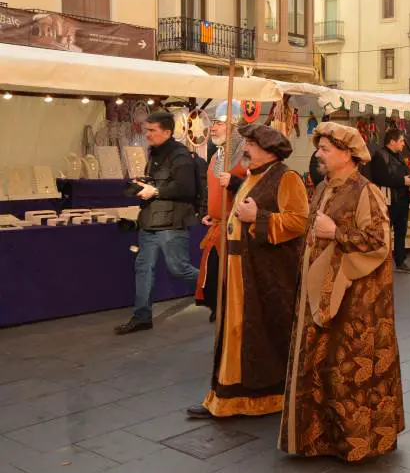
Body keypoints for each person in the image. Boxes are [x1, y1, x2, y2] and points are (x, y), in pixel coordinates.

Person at [279, 123, 405, 460]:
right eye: (319, 148)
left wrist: (337, 233)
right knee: (321, 368)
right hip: (319, 293)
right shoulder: (322, 187)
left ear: (348, 154)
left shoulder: (366, 191)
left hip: (354, 301)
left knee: (347, 371)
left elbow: (380, 242)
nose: (318, 154)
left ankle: (355, 442)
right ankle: (318, 439)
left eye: (325, 149)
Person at [187, 124, 309, 419]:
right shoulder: (252, 177)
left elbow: (300, 221)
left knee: (259, 335)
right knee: (235, 332)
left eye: (251, 145)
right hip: (242, 270)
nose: (245, 149)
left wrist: (259, 217)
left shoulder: (287, 178)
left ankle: (259, 397)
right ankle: (228, 394)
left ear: (267, 151)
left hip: (266, 273)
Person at [115, 112, 201, 335]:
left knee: (179, 269)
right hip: (150, 222)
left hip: (171, 223)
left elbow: (186, 189)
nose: (147, 134)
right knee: (144, 268)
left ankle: (220, 288)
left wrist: (156, 190)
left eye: (152, 130)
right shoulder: (154, 154)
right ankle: (141, 316)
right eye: (147, 130)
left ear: (167, 132)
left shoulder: (180, 155)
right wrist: (143, 186)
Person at [195, 101, 248, 324]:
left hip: (236, 228)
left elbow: (257, 187)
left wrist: (236, 182)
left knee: (231, 279)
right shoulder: (217, 155)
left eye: (218, 123)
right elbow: (211, 186)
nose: (213, 128)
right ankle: (219, 309)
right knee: (215, 277)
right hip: (217, 226)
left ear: (234, 125)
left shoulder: (245, 154)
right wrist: (207, 211)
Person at [370, 128, 410, 274]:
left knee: (401, 232)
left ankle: (400, 262)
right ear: (392, 142)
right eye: (401, 141)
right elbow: (379, 178)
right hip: (388, 202)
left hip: (402, 201)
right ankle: (381, 262)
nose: (403, 144)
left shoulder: (398, 155)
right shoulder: (379, 156)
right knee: (384, 232)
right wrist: (403, 180)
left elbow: (405, 173)